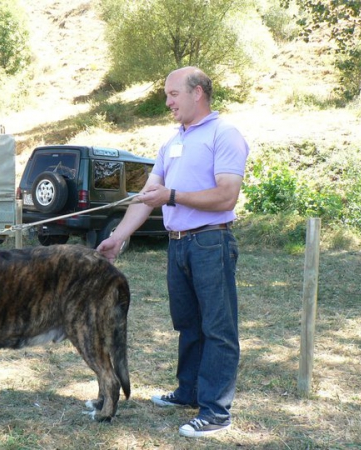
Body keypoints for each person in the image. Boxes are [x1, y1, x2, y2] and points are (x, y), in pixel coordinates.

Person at [97, 67, 249, 438]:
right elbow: (147, 198)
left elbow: (227, 195)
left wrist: (173, 196)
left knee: (218, 328)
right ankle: (189, 392)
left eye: (173, 94)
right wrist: (118, 237)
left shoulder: (224, 134)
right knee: (187, 324)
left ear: (197, 93)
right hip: (178, 244)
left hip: (212, 242)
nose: (167, 102)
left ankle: (216, 412)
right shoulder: (171, 143)